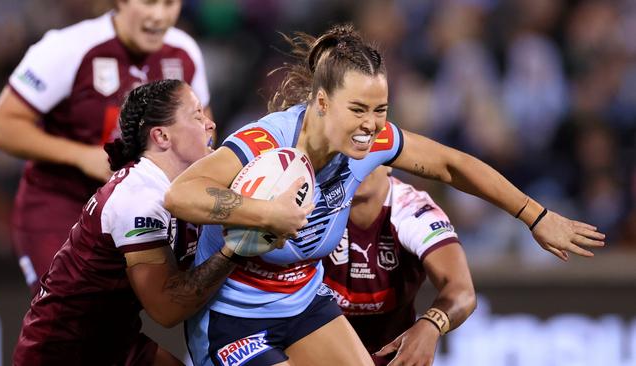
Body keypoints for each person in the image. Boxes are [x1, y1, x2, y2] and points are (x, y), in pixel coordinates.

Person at [165, 24, 605, 366]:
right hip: (235, 313)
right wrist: (264, 213)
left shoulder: (373, 142)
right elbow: (181, 195)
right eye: (357, 109)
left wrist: (535, 216)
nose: (371, 124)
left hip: (302, 300)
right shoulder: (265, 142)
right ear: (321, 103)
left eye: (380, 110)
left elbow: (453, 165)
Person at [0, 0, 212, 294]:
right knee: (70, 318)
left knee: (115, 325)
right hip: (61, 209)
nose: (158, 15)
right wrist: (81, 156)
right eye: (148, 2)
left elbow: (203, 127)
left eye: (169, 3)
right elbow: (0, 126)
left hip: (136, 212)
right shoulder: (68, 47)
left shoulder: (184, 53)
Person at [13, 80, 228, 366]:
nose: (210, 124)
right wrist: (234, 251)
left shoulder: (170, 188)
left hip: (114, 343)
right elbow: (166, 309)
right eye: (197, 115)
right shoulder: (138, 199)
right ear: (162, 136)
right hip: (63, 355)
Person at [322, 166, 475, 366]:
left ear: (389, 161)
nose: (354, 166)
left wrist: (431, 324)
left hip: (390, 354)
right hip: (317, 348)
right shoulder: (311, 203)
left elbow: (462, 291)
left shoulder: (413, 209)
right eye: (345, 157)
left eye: (366, 155)